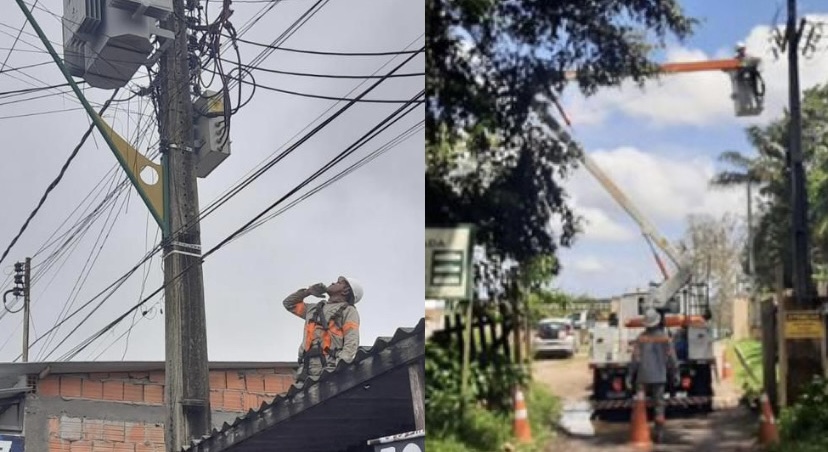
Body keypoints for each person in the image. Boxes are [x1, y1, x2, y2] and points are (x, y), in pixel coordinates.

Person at [283, 276, 363, 387]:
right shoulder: (313, 309)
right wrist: (308, 292)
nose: (332, 283)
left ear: (346, 291)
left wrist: (338, 370)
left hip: (328, 368)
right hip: (305, 371)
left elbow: (351, 343)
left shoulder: (348, 311)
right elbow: (289, 303)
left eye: (338, 283)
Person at [626, 308, 679, 443]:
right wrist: (675, 374)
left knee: (640, 404)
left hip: (642, 379)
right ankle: (659, 433)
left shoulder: (641, 338)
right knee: (659, 405)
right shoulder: (665, 338)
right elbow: (672, 359)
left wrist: (629, 376)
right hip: (660, 378)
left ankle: (640, 431)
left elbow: (635, 359)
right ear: (658, 321)